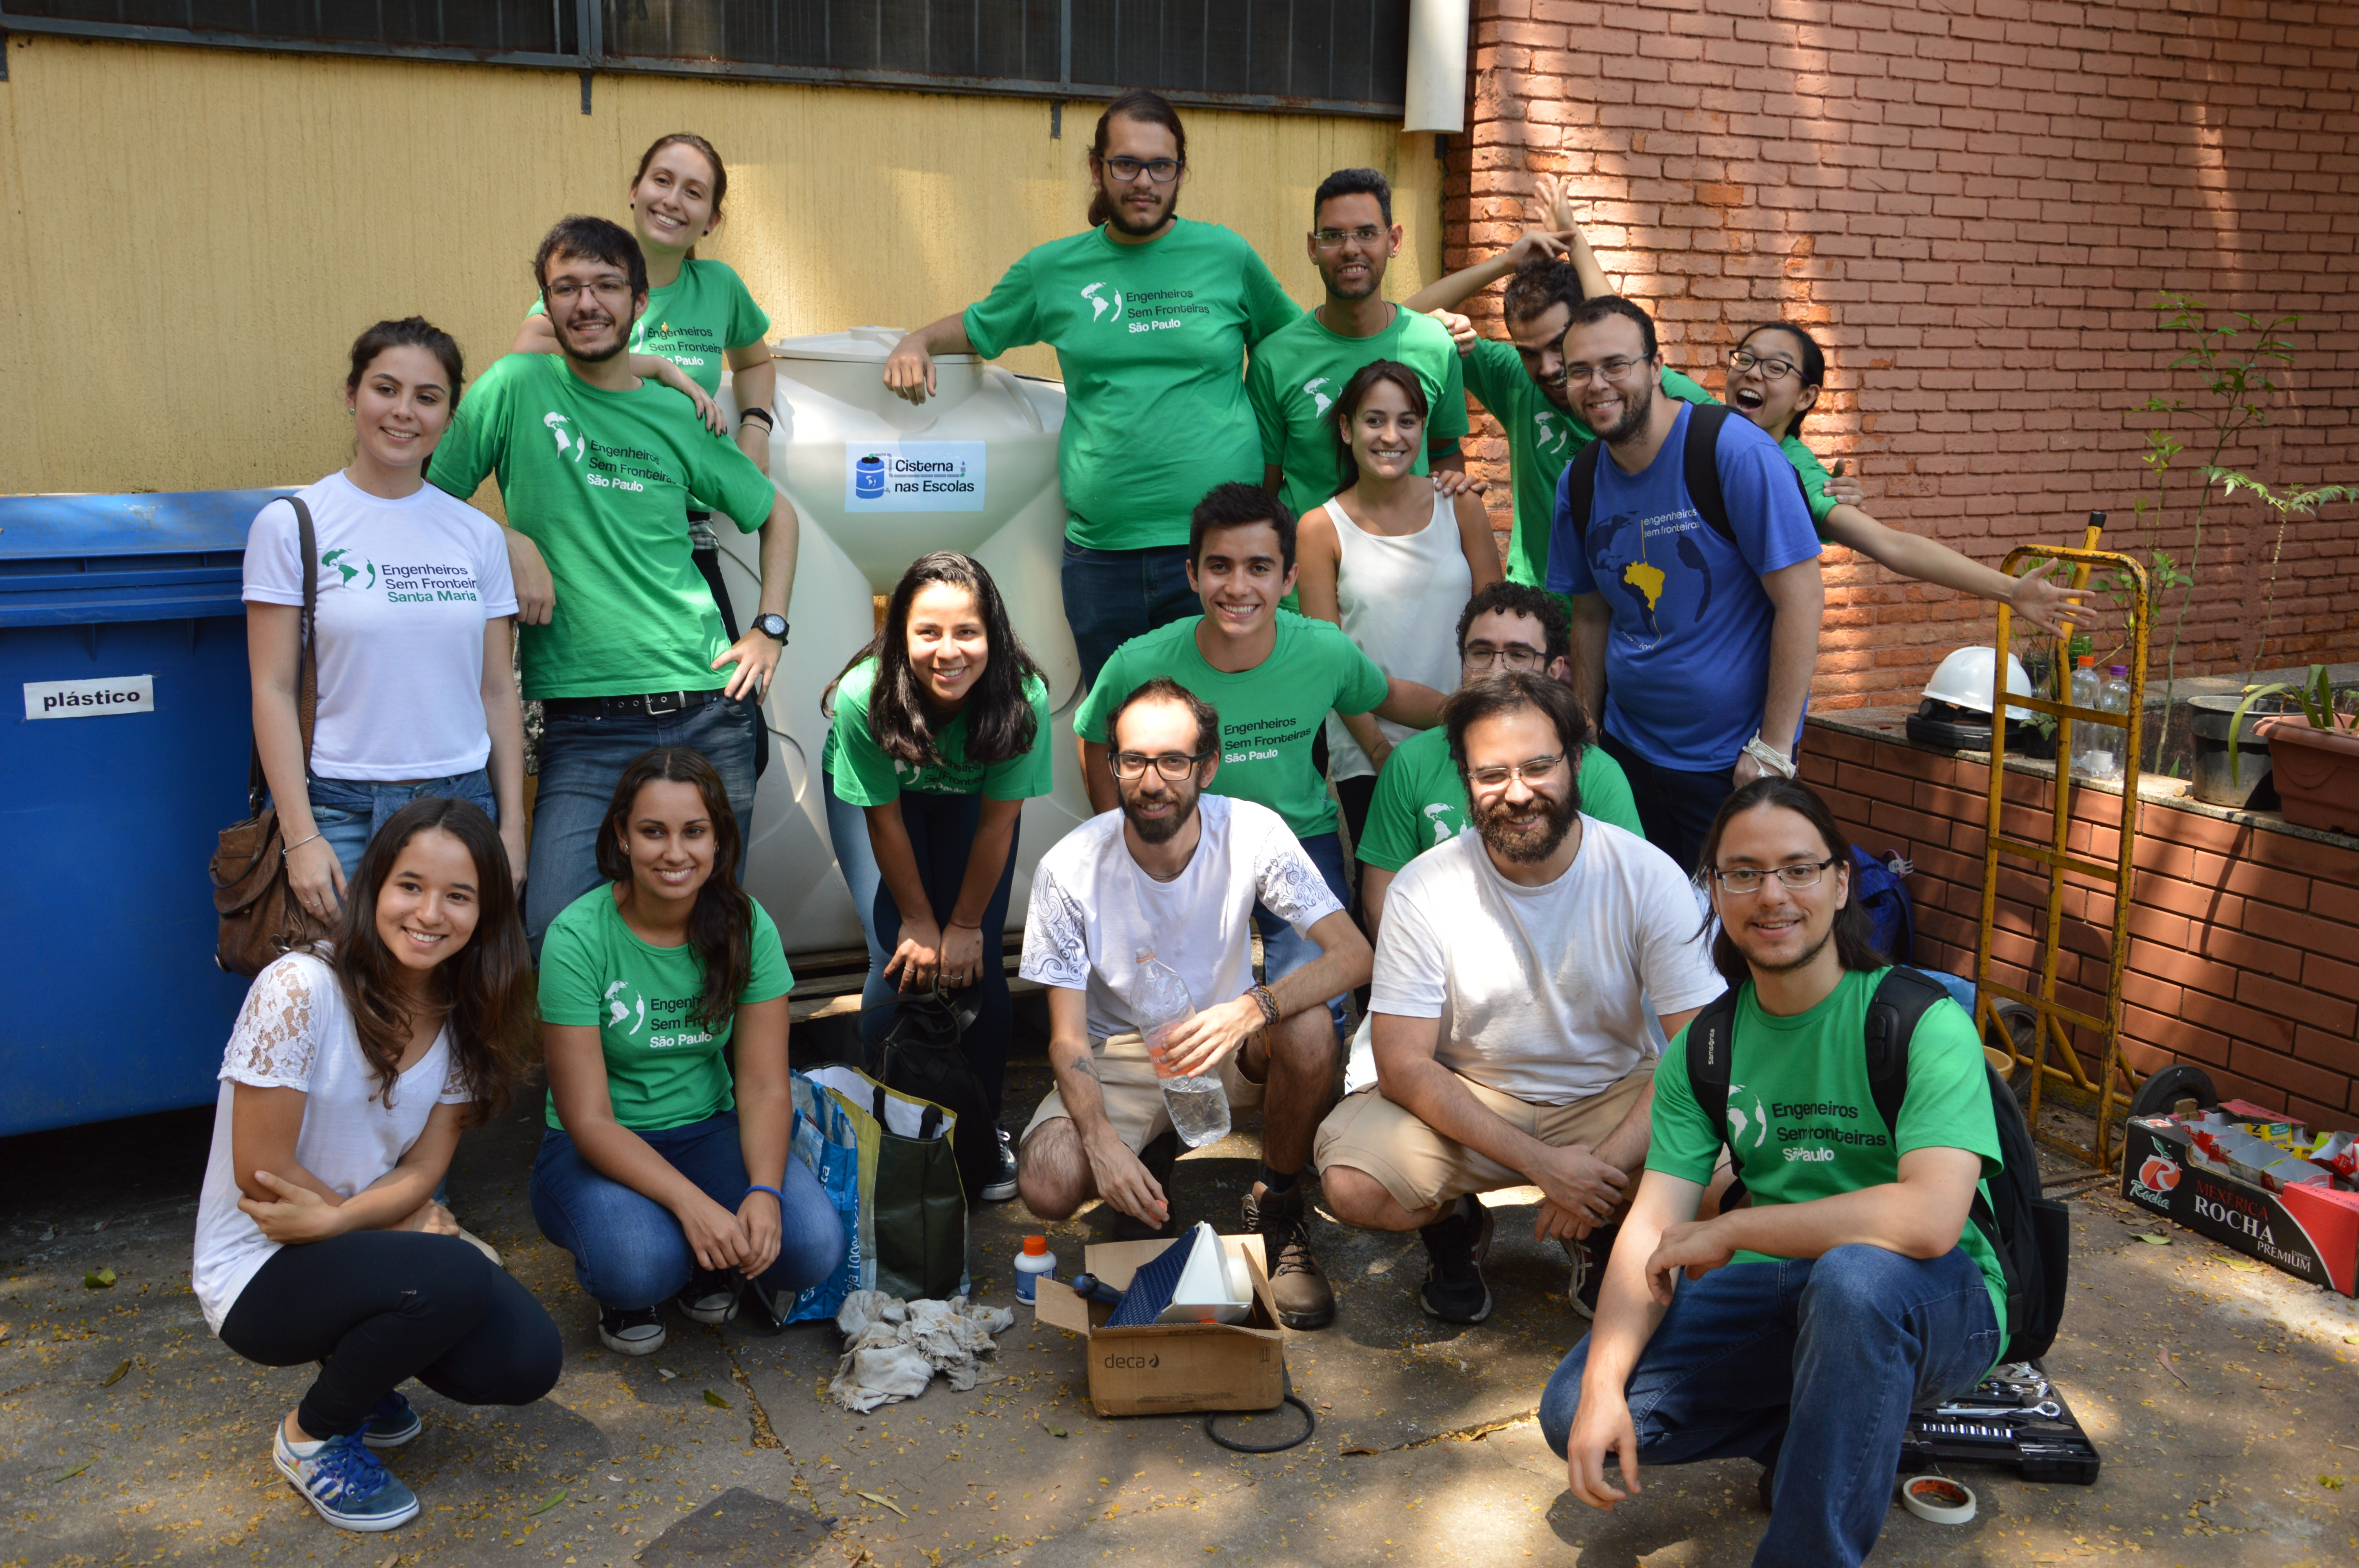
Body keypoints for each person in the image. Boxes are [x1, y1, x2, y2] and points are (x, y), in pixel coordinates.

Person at [1542, 777, 2009, 1568]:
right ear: (1714, 890)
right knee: (1573, 1406)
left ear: (1838, 882)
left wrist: (1733, 1225)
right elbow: (1650, 1230)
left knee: (1855, 1281)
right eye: (1743, 872)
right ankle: (1833, 1424)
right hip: (1783, 1294)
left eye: (1797, 868)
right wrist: (1600, 1387)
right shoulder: (1706, 1048)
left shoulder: (1918, 1020)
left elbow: (1929, 1218)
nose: (1772, 894)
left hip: (1936, 1295)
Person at [429, 215, 798, 948]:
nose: (586, 302)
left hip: (707, 706)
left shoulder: (672, 412)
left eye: (604, 285)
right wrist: (507, 538)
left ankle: (705, 1069)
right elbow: (429, 500)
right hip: (584, 724)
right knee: (554, 934)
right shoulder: (514, 386)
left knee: (707, 934)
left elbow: (775, 516)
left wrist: (769, 629)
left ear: (638, 304)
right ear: (547, 305)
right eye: (565, 288)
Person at [192, 797, 557, 1534]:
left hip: (348, 1238)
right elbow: (262, 1174)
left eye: (459, 896)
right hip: (258, 1266)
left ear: (487, 913)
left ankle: (364, 1368)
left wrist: (353, 1222)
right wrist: (392, 1228)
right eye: (411, 886)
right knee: (449, 1271)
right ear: (373, 888)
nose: (431, 913)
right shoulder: (300, 989)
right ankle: (312, 1436)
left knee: (527, 1358)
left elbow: (425, 1172)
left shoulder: (464, 1015)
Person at [1316, 675, 1724, 1325]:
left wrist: (1596, 1169)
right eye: (1491, 773)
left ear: (1577, 763)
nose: (1517, 792)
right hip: (1469, 1093)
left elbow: (1703, 1048)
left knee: (1729, 1177)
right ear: (1464, 777)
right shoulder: (1426, 886)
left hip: (1607, 1091)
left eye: (1539, 766)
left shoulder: (1646, 875)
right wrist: (1542, 1166)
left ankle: (1598, 1225)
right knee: (1355, 1184)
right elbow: (1403, 1063)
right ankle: (1456, 1230)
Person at [882, 91, 1300, 684]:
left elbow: (1296, 352)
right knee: (1117, 728)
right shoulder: (1053, 270)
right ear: (1096, 168)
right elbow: (980, 327)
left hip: (1224, 552)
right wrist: (916, 341)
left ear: (1182, 171)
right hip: (1104, 558)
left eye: (1162, 165)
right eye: (1126, 164)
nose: (1144, 181)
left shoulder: (1226, 256)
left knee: (1231, 722)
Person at [1016, 679, 1373, 1329]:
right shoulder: (1068, 867)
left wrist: (1253, 1007)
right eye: (1135, 761)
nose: (1153, 782)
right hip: (1120, 1052)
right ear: (1113, 766)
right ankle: (1140, 1163)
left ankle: (1277, 1206)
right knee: (1047, 1178)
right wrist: (1098, 1142)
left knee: (1311, 1030)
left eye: (1174, 761)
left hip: (1225, 1037)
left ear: (1207, 766)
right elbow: (1066, 1039)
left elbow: (1353, 955)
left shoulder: (1252, 832)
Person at [1074, 483, 1443, 1033]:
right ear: (1193, 575)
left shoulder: (1323, 651)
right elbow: (1094, 736)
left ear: (1288, 579)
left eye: (1260, 568)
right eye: (1220, 567)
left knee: (1317, 1016)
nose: (1238, 586)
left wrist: (1484, 711)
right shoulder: (1141, 663)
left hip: (1297, 841)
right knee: (1169, 1012)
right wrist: (1118, 829)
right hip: (1184, 843)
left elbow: (1390, 697)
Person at [531, 748, 846, 1355]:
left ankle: (708, 1255)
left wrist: (763, 1192)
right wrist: (693, 1205)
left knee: (812, 1245)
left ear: (719, 840)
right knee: (639, 1265)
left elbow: (761, 1086)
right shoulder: (576, 937)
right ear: (622, 836)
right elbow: (587, 1118)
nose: (675, 853)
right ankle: (651, 1276)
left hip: (707, 1131)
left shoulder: (747, 926)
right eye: (653, 832)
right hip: (597, 1145)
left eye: (694, 832)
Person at [245, 318, 525, 924]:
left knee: (450, 1002)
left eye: (427, 398)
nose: (404, 412)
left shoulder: (477, 535)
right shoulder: (293, 525)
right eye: (385, 389)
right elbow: (272, 689)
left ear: (448, 418)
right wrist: (300, 836)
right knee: (343, 999)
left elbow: (498, 690)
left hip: (463, 806)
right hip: (340, 814)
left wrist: (512, 826)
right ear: (352, 396)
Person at [1546, 296, 1824, 876]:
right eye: (1579, 371)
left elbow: (1800, 598)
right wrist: (1585, 727)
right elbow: (1592, 613)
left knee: (1729, 939)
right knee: (1640, 927)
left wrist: (1772, 751)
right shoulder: (1580, 480)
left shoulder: (1734, 452)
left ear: (1655, 367)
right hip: (1626, 755)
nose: (1597, 385)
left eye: (1615, 365)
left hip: (1729, 765)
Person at [821, 552, 1055, 1200]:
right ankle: (893, 1133)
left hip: (969, 801)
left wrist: (963, 925)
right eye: (927, 632)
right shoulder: (862, 696)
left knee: (972, 963)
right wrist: (923, 924)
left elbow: (997, 827)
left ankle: (980, 1132)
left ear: (994, 636)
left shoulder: (1022, 698)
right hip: (884, 801)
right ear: (899, 635)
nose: (947, 651)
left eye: (966, 632)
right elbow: (885, 825)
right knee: (898, 957)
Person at [509, 131, 783, 642]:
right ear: (635, 190)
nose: (673, 200)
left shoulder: (719, 286)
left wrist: (756, 428)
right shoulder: (596, 271)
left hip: (685, 520)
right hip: (591, 514)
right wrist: (653, 365)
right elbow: (529, 348)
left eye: (694, 192)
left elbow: (756, 364)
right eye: (662, 180)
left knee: (727, 698)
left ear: (713, 219)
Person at [1403, 180, 1717, 599]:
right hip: (1538, 615)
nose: (1548, 368)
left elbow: (1621, 333)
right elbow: (1398, 321)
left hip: (1631, 609)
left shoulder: (1648, 385)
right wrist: (1505, 263)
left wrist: (1577, 243)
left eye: (1558, 346)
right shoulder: (1513, 377)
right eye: (1530, 352)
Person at [1723, 321, 2095, 635]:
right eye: (1746, 358)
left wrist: (2011, 590)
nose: (1753, 372)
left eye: (1776, 367)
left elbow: (1893, 545)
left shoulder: (1794, 474)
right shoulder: (1693, 416)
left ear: (1806, 397)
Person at [1353, 582, 1643, 946]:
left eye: (1519, 655)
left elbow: (1628, 902)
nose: (1497, 669)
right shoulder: (1411, 763)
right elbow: (1382, 907)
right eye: (1481, 652)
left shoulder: (1599, 772)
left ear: (1554, 670)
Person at [1292, 361, 1501, 847]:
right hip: (1369, 752)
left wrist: (1484, 724)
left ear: (1423, 428)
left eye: (1407, 420)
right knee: (1386, 899)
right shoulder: (1319, 529)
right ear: (1346, 429)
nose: (1392, 435)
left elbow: (1497, 628)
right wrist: (1380, 749)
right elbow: (1330, 662)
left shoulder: (1460, 505)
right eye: (1374, 420)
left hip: (1466, 738)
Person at [1247, 167, 1471, 534]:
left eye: (1367, 233)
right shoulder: (1274, 359)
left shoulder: (1435, 345)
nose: (1351, 248)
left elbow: (1446, 454)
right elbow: (1266, 490)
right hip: (1304, 581)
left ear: (1394, 241)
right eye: (1333, 236)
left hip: (1407, 575)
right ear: (1313, 248)